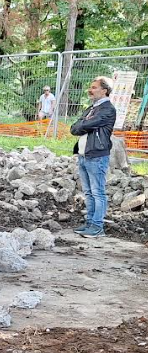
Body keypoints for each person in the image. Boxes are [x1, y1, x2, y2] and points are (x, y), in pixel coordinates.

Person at [70, 76, 117, 237]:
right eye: (91, 87)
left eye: (94, 87)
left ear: (104, 90)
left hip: (96, 156)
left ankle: (97, 227)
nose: (90, 90)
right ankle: (90, 223)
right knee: (89, 192)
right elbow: (74, 128)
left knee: (98, 192)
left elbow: (86, 124)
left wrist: (83, 124)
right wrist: (82, 124)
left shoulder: (107, 109)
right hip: (84, 155)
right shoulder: (91, 108)